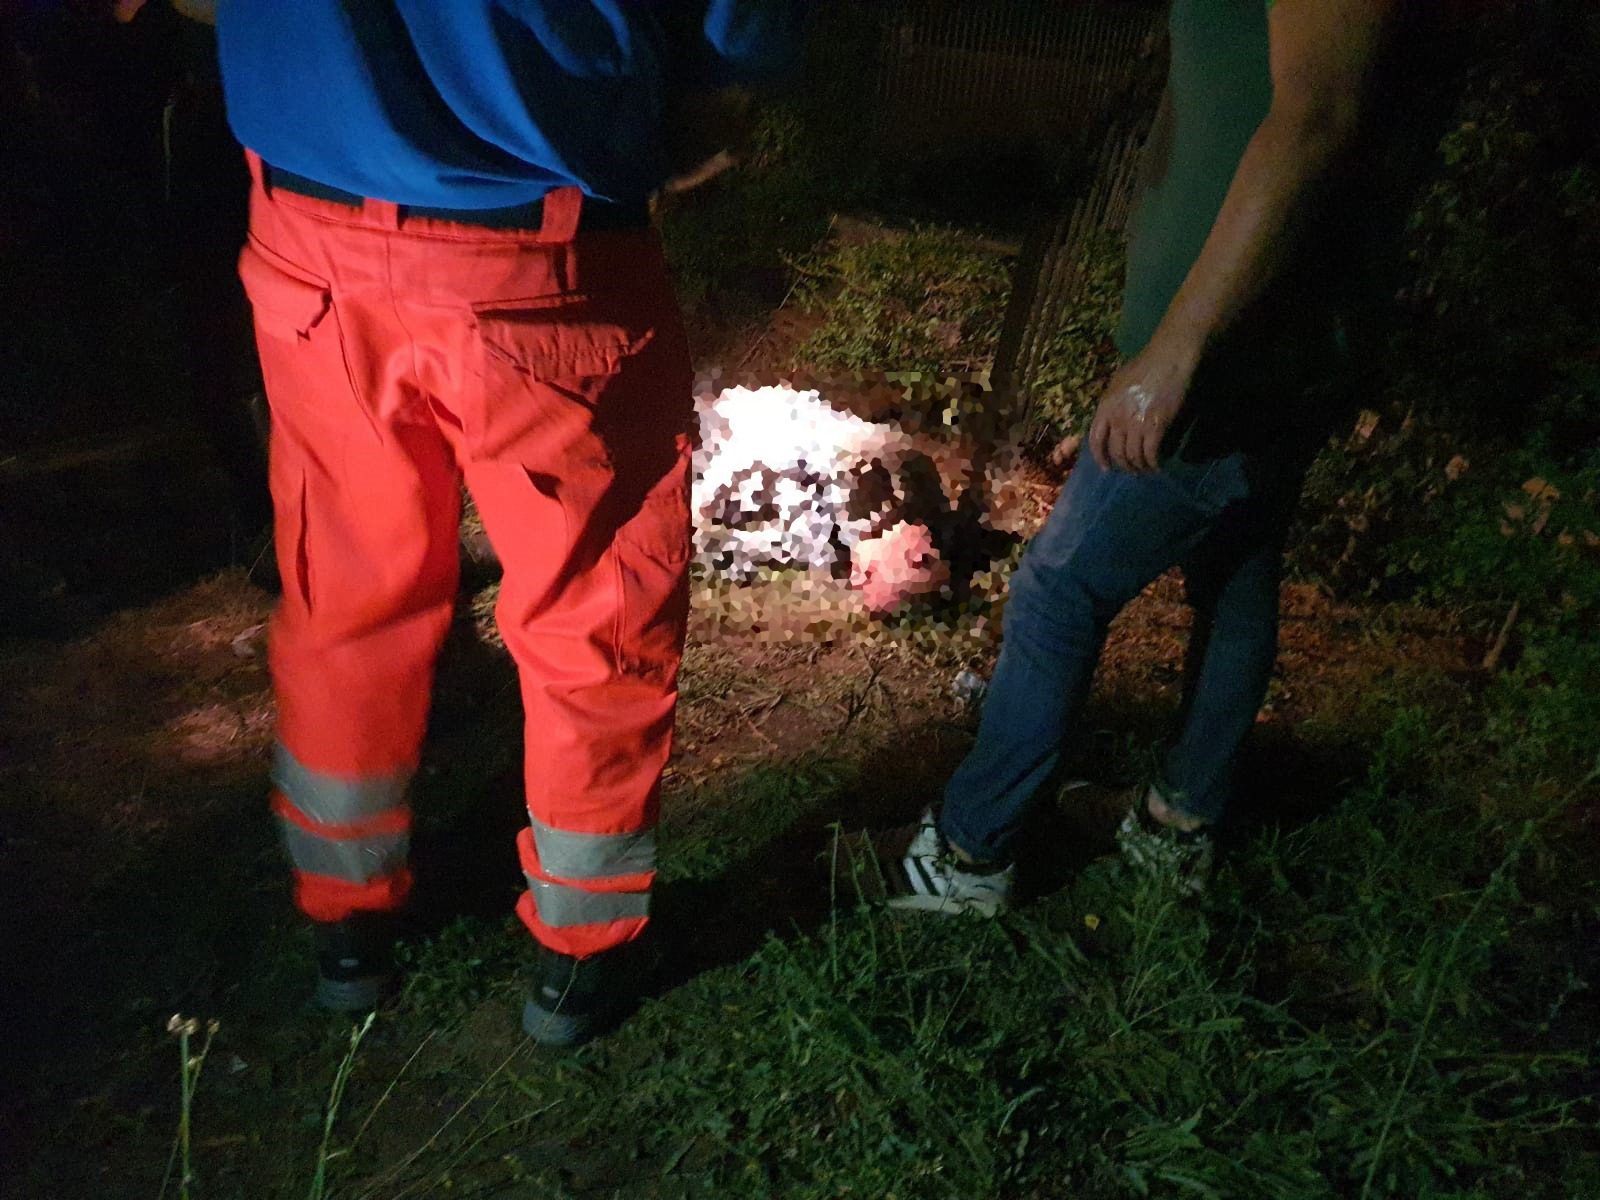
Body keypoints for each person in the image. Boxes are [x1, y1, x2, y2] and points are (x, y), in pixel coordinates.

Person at [214, 1, 805, 1045]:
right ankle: (578, 962)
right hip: (543, 256)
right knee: (594, 613)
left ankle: (346, 930)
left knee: (347, 593)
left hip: (309, 243)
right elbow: (726, 79)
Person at [882, 0, 1408, 913]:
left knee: (1060, 585)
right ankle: (1177, 826)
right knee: (1237, 572)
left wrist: (1181, 346)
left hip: (1236, 352)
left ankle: (968, 856)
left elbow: (1316, 116)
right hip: (1271, 339)